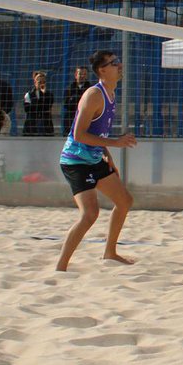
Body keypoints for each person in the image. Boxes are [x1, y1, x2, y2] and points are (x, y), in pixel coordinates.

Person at [56, 50, 138, 271]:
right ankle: (60, 267)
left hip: (94, 157)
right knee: (90, 214)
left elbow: (99, 133)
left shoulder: (111, 93)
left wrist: (109, 159)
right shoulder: (94, 94)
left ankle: (109, 252)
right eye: (114, 63)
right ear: (102, 70)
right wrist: (117, 143)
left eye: (118, 62)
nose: (119, 65)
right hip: (75, 161)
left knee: (125, 200)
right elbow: (79, 134)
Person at [22, 70, 55, 136]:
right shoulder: (28, 94)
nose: (42, 84)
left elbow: (46, 107)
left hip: (45, 125)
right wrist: (39, 103)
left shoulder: (49, 95)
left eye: (44, 82)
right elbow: (27, 109)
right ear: (35, 82)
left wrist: (43, 95)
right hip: (31, 125)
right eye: (40, 82)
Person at [63, 66, 93, 135]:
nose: (82, 76)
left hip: (85, 120)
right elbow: (66, 104)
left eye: (84, 74)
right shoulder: (69, 89)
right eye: (80, 74)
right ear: (76, 75)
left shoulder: (90, 89)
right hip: (71, 120)